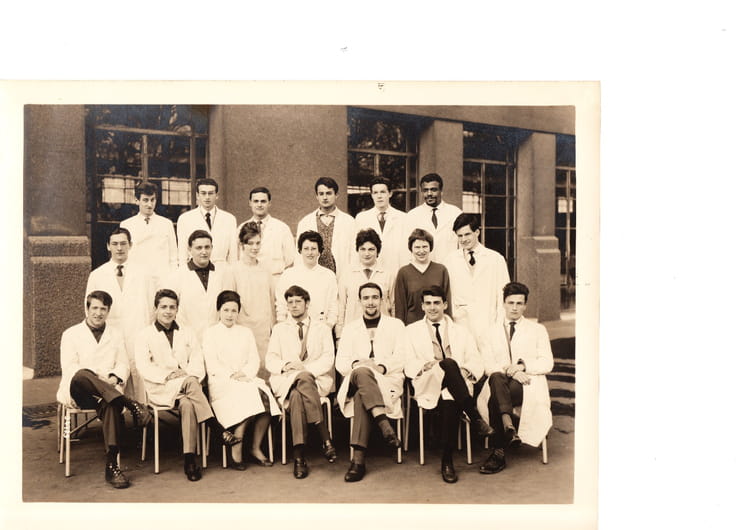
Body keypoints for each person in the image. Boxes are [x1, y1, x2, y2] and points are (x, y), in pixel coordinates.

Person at [135, 289, 241, 482]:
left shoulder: (187, 332)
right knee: (191, 383)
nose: (168, 311)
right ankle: (217, 429)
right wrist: (169, 375)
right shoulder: (144, 335)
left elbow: (198, 361)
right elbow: (144, 366)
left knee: (188, 403)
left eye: (172, 307)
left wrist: (186, 374)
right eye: (164, 307)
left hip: (187, 388)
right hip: (161, 388)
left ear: (177, 309)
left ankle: (189, 460)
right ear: (155, 309)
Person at [57, 290, 152, 489]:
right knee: (82, 374)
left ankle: (111, 465)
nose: (98, 313)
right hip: (80, 391)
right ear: (87, 309)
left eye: (103, 309)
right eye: (95, 308)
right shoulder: (71, 334)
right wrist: (97, 377)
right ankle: (130, 404)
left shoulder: (115, 334)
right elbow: (70, 369)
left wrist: (113, 377)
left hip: (107, 391)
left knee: (110, 404)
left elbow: (123, 363)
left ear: (108, 311)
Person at [404, 286, 494, 484]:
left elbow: (475, 359)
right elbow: (407, 361)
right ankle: (475, 417)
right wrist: (424, 366)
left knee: (450, 392)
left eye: (437, 303)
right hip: (428, 379)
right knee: (449, 364)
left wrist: (466, 371)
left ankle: (447, 461)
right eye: (428, 303)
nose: (432, 307)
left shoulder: (461, 331)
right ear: (422, 306)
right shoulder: (411, 331)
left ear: (445, 305)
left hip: (457, 382)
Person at [476, 282, 554, 474]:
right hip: (500, 382)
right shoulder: (489, 332)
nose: (514, 308)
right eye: (511, 303)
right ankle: (508, 427)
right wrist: (510, 371)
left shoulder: (537, 330)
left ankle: (499, 451)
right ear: (503, 303)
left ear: (525, 305)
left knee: (496, 390)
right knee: (496, 378)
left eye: (519, 303)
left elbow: (547, 362)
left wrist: (522, 367)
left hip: (526, 385)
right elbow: (487, 364)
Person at [202, 290, 281, 470]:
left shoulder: (245, 332)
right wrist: (231, 376)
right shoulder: (210, 333)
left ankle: (255, 447)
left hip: (246, 378)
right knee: (246, 395)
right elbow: (211, 364)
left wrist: (245, 373)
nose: (230, 315)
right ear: (219, 311)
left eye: (234, 310)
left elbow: (254, 359)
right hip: (221, 382)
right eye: (226, 310)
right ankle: (236, 447)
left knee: (265, 397)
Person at [335, 283, 406, 482]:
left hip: (386, 380)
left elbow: (403, 356)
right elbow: (340, 363)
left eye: (375, 297)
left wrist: (381, 367)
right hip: (355, 378)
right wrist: (357, 365)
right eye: (366, 298)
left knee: (362, 395)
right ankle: (384, 424)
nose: (370, 302)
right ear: (359, 301)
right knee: (361, 372)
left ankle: (358, 461)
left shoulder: (396, 325)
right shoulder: (350, 329)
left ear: (382, 300)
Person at [265, 285, 336, 479]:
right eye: (290, 302)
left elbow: (328, 358)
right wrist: (286, 365)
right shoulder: (279, 329)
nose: (294, 306)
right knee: (297, 386)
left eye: (298, 301)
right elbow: (270, 359)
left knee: (298, 394)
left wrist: (306, 371)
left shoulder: (322, 328)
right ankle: (325, 437)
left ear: (307, 303)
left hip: (315, 380)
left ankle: (299, 457)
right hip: (287, 379)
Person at [85, 226, 153, 401]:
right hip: (111, 335)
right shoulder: (97, 275)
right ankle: (116, 414)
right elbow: (89, 309)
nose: (119, 248)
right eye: (115, 244)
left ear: (130, 245)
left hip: (137, 330)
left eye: (123, 243)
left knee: (139, 377)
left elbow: (152, 306)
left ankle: (141, 413)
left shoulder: (143, 273)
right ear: (108, 246)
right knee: (114, 375)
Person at [444, 213, 511, 337]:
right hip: (461, 324)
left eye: (467, 234)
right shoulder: (450, 260)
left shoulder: (495, 259)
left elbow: (504, 294)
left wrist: (500, 324)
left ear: (477, 232)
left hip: (488, 323)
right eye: (460, 236)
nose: (463, 239)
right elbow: (447, 294)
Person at [161, 229, 231, 340]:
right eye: (199, 248)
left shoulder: (221, 274)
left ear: (212, 248)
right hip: (187, 338)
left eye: (207, 247)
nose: (204, 252)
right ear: (189, 250)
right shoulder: (177, 276)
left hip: (216, 338)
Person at [227, 222, 275, 371]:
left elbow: (271, 300)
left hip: (263, 330)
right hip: (242, 326)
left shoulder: (265, 270)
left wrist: (272, 327)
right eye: (250, 243)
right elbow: (229, 304)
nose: (255, 247)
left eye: (258, 243)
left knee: (264, 367)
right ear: (242, 244)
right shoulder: (233, 270)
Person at [335, 229, 393, 340]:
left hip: (383, 333)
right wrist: (339, 335)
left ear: (378, 251)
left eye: (371, 249)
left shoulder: (388, 274)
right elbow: (341, 306)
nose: (367, 253)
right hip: (353, 333)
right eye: (363, 249)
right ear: (357, 250)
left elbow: (394, 306)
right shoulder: (347, 274)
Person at [235, 186, 296, 290]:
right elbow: (238, 256)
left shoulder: (282, 228)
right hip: (248, 280)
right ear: (250, 203)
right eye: (256, 201)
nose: (259, 204)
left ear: (269, 203)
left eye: (263, 201)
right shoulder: (241, 228)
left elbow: (290, 259)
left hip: (275, 280)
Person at [275, 231, 338, 329]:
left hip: (320, 328)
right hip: (292, 328)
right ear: (300, 250)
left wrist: (327, 327)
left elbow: (333, 306)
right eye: (306, 249)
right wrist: (283, 327)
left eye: (313, 249)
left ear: (319, 251)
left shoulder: (329, 276)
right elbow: (281, 305)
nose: (310, 253)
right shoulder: (288, 274)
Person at [296, 177, 356, 279]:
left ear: (336, 195)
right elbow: (298, 256)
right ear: (317, 196)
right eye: (321, 194)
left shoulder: (349, 222)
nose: (325, 197)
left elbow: (354, 254)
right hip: (313, 276)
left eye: (328, 193)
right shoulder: (305, 222)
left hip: (341, 276)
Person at [120, 180, 178, 281]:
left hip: (162, 279)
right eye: (145, 200)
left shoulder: (166, 224)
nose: (150, 204)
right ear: (137, 200)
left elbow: (173, 257)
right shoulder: (127, 225)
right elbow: (124, 257)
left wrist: (172, 279)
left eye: (152, 200)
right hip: (137, 279)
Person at [176, 177, 237, 269]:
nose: (207, 197)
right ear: (197, 195)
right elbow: (182, 254)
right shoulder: (185, 219)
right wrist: (184, 273)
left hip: (222, 270)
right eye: (203, 193)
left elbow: (233, 254)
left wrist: (232, 273)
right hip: (195, 270)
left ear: (217, 195)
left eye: (211, 193)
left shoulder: (229, 219)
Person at [394, 229, 452, 325]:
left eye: (425, 246)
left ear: (430, 247)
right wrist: (401, 328)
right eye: (417, 247)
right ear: (411, 249)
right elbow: (400, 307)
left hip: (437, 325)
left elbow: (447, 303)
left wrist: (448, 325)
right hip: (411, 326)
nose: (421, 251)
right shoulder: (403, 272)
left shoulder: (441, 270)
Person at [402, 173, 462, 264]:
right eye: (425, 190)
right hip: (423, 268)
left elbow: (462, 245)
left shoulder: (455, 213)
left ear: (441, 191)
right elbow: (407, 250)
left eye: (433, 190)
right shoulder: (412, 216)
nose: (429, 194)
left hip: (451, 267)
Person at [354, 177, 406, 277]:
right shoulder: (362, 218)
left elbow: (406, 250)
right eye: (375, 192)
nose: (379, 196)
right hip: (370, 270)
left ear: (390, 193)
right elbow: (356, 249)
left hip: (395, 269)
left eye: (382, 192)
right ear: (371, 195)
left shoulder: (403, 218)